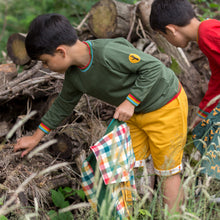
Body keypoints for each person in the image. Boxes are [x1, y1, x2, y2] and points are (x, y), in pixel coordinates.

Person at [14, 13, 188, 214]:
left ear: (61, 52)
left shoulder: (106, 52)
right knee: (120, 168)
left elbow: (153, 67)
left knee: (167, 170)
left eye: (45, 61)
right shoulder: (74, 76)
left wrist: (131, 101)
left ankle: (177, 217)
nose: (45, 67)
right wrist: (36, 138)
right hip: (134, 115)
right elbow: (63, 105)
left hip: (165, 105)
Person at [150, 0, 220, 127]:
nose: (167, 40)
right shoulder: (207, 31)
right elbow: (218, 78)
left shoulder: (207, 34)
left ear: (171, 30)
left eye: (163, 35)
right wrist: (203, 113)